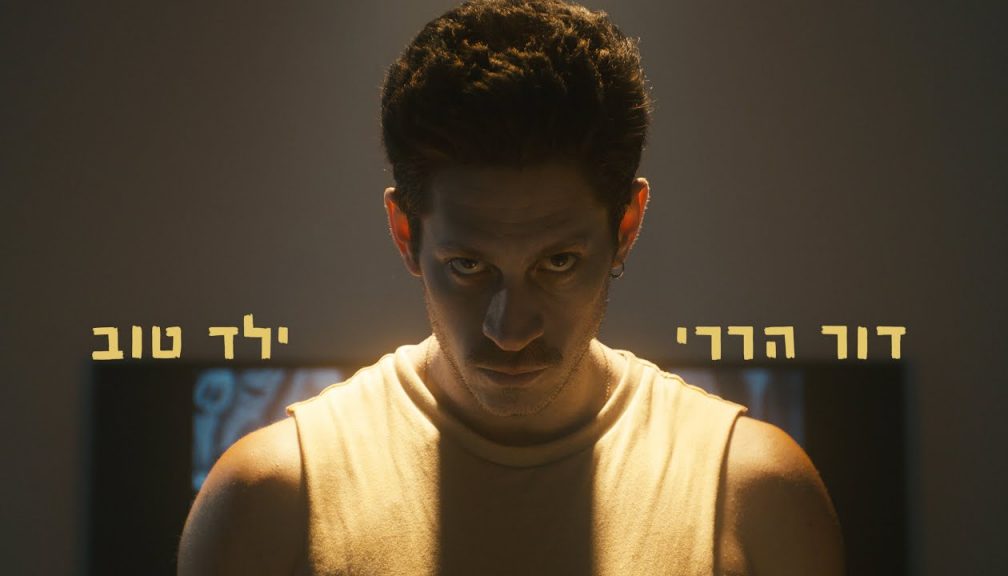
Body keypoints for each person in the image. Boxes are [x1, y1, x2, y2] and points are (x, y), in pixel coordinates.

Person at [177, 1, 844, 574]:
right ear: (405, 233)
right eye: (469, 266)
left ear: (627, 226)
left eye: (558, 262)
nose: (510, 329)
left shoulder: (753, 494)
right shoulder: (270, 501)